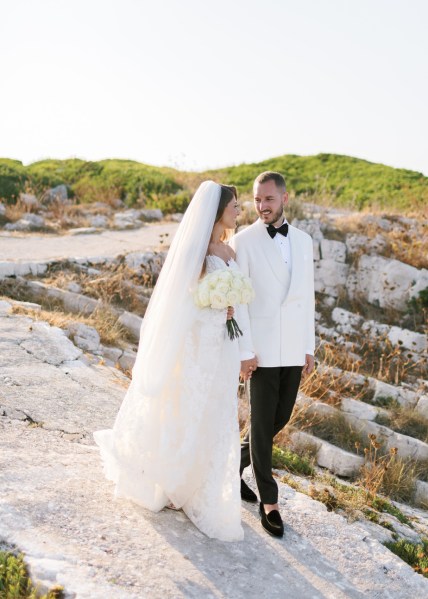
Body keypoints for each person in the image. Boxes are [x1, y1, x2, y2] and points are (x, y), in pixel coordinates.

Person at [94, 181, 248, 542]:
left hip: (223, 344)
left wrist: (230, 306)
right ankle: (170, 481)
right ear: (218, 210)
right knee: (187, 407)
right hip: (197, 343)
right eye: (234, 205)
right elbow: (183, 296)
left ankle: (196, 487)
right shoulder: (198, 251)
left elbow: (236, 299)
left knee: (214, 411)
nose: (238, 211)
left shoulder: (230, 249)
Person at [230, 171, 315, 538]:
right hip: (261, 351)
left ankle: (233, 465)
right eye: (256, 200)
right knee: (262, 423)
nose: (262, 206)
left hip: (294, 348)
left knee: (279, 417)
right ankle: (270, 502)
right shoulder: (243, 241)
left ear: (284, 199)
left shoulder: (304, 240)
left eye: (268, 199)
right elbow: (240, 300)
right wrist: (245, 350)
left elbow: (306, 296)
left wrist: (309, 346)